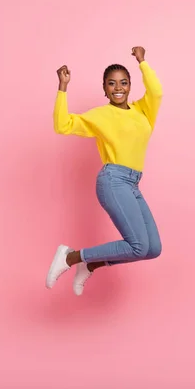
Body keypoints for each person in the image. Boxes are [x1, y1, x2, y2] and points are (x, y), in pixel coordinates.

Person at [45, 46, 163, 296]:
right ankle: (70, 257)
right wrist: (63, 87)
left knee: (152, 249)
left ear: (130, 85)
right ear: (105, 89)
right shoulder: (101, 115)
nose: (118, 88)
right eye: (112, 84)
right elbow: (62, 125)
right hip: (113, 180)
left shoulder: (144, 111)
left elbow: (156, 91)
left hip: (133, 184)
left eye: (123, 83)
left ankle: (92, 263)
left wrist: (142, 62)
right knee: (138, 245)